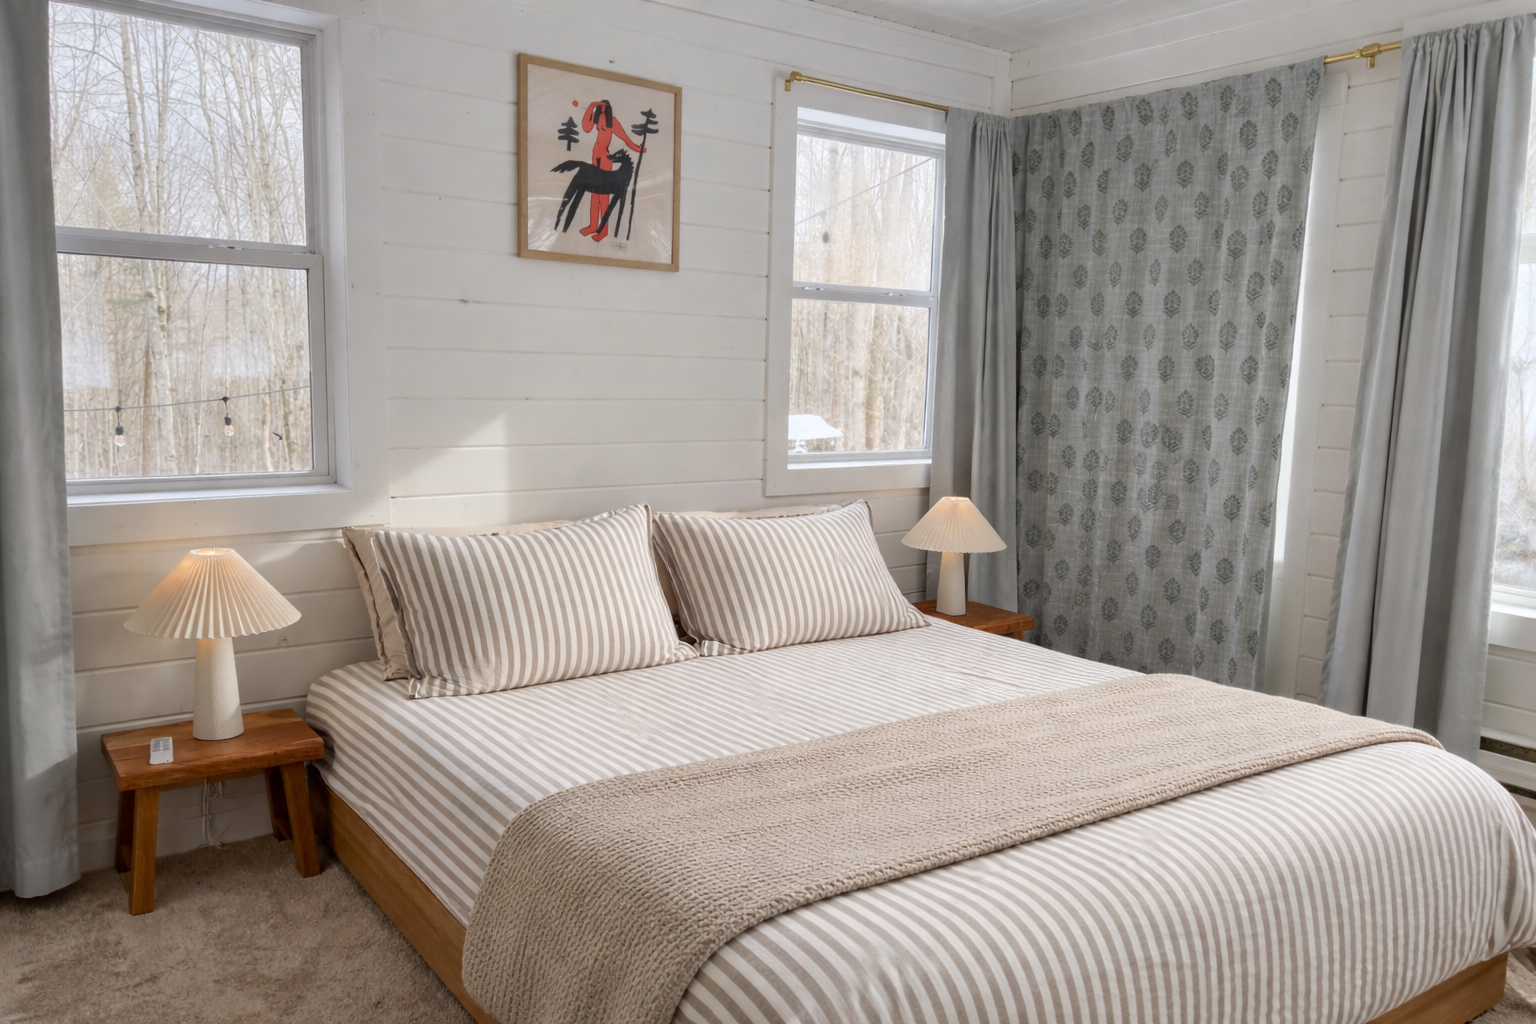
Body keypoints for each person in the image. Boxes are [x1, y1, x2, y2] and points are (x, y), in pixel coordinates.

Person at [579, 100, 646, 241]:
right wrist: (592, 106)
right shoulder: (598, 118)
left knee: (603, 196)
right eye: (600, 107)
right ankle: (592, 225)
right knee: (594, 194)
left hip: (604, 160)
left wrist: (639, 149)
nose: (602, 109)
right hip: (595, 158)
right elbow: (586, 127)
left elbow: (626, 139)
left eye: (604, 107)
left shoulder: (612, 122)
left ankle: (603, 230)